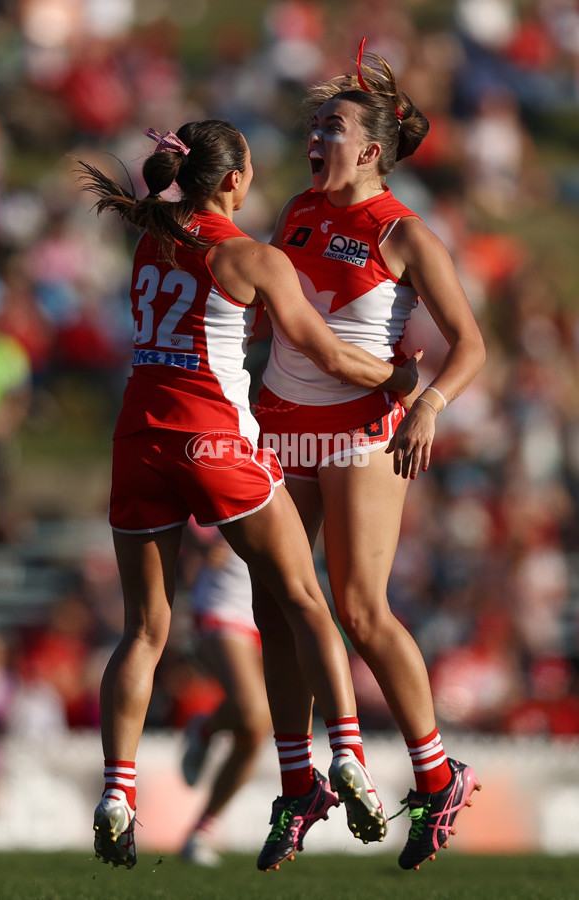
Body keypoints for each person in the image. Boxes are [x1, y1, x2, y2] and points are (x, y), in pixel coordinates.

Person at [75, 118, 421, 870]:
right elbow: (324, 350)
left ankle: (116, 795)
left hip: (138, 441)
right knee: (303, 599)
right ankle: (349, 759)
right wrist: (395, 379)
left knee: (142, 631)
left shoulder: (148, 238)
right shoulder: (250, 255)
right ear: (233, 180)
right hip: (213, 441)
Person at [252, 41, 486, 872]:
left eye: (334, 126)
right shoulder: (296, 210)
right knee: (276, 607)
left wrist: (428, 402)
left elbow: (470, 345)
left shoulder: (403, 232)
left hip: (359, 429)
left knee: (357, 607)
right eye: (314, 123)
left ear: (372, 149)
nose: (317, 135)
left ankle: (437, 774)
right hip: (282, 426)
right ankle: (297, 785)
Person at [179, 533, 271, 867]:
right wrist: (201, 543)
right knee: (251, 711)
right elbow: (187, 501)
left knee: (254, 734)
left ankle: (201, 831)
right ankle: (206, 729)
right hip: (226, 603)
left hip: (277, 608)